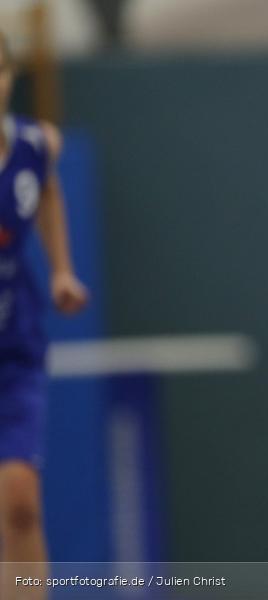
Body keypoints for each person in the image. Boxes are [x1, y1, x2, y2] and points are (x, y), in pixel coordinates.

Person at [0, 32, 89, 599]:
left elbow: (49, 194)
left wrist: (61, 268)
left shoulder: (37, 144)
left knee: (20, 502)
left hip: (15, 348)